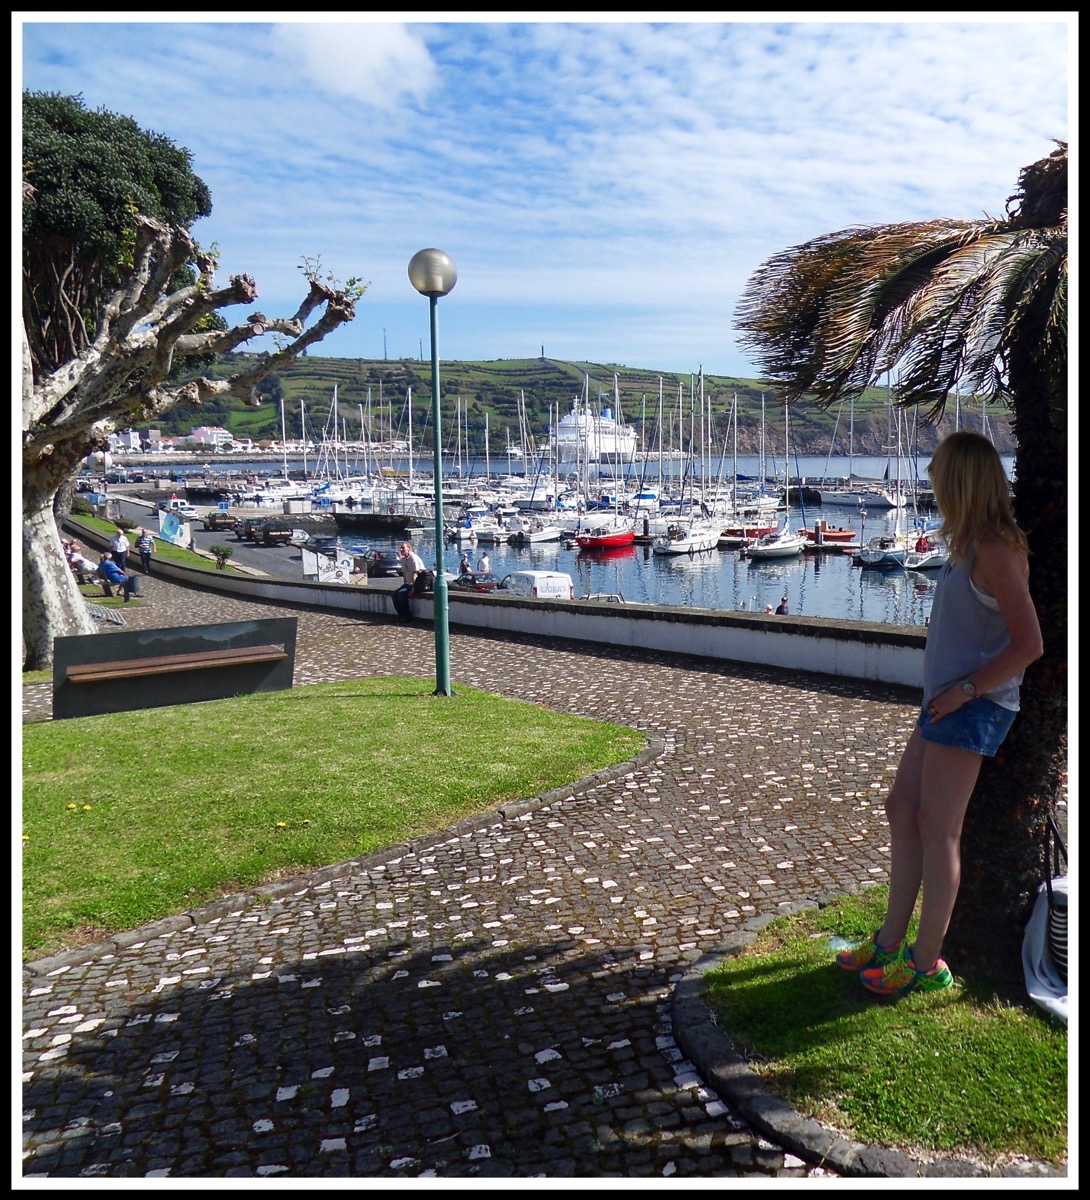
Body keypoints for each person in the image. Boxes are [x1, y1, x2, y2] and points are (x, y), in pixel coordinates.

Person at [835, 431, 1043, 996]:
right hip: (944, 704)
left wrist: (966, 692)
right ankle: (888, 941)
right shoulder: (967, 544)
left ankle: (926, 965)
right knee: (902, 808)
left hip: (970, 708)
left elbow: (1029, 644)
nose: (930, 479)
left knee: (938, 829)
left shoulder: (997, 550)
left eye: (938, 472)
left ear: (961, 481)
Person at [391, 540, 425, 620]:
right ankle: (401, 615)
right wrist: (404, 584)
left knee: (401, 593)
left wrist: (413, 589)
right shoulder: (403, 560)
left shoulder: (413, 558)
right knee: (394, 595)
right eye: (401, 548)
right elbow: (404, 574)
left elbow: (415, 575)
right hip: (408, 583)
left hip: (417, 583)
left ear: (409, 549)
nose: (401, 550)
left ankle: (407, 615)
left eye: (403, 548)